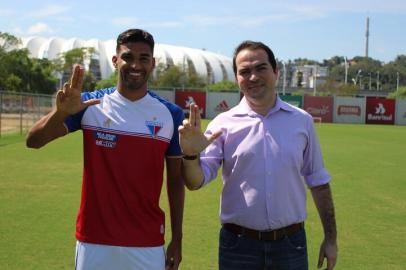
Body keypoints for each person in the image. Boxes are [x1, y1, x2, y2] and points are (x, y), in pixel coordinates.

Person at [26, 29, 185, 270]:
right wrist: (61, 113)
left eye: (143, 58)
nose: (135, 65)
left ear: (153, 64)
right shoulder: (89, 105)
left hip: (147, 243)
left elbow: (175, 181)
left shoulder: (170, 114)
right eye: (128, 57)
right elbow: (33, 141)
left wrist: (178, 239)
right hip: (94, 242)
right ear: (115, 60)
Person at [178, 40, 337, 270]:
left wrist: (331, 239)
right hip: (238, 248)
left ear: (276, 72)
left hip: (290, 246)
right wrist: (190, 155)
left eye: (260, 68)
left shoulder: (302, 121)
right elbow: (195, 181)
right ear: (237, 78)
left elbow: (319, 182)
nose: (253, 77)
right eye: (245, 71)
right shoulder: (223, 124)